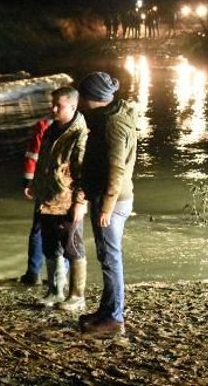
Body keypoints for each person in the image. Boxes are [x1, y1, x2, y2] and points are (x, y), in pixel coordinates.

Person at [77, 72, 137, 336]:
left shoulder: (113, 124)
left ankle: (114, 317)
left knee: (111, 259)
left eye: (82, 95)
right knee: (107, 257)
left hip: (111, 200)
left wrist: (107, 207)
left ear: (93, 97)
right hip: (106, 197)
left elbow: (116, 169)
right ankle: (107, 311)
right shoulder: (107, 119)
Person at [28, 87, 88, 311]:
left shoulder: (80, 133)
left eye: (58, 106)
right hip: (47, 199)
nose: (53, 109)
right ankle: (55, 290)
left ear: (72, 106)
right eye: (52, 104)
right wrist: (35, 185)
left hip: (66, 200)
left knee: (72, 246)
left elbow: (82, 171)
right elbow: (42, 161)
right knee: (50, 246)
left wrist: (80, 202)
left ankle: (76, 295)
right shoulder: (52, 129)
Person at [19, 115, 53, 286]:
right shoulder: (83, 122)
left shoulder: (43, 125)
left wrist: (28, 182)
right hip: (67, 187)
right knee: (66, 230)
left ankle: (34, 273)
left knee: (39, 229)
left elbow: (32, 155)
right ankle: (61, 276)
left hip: (45, 184)